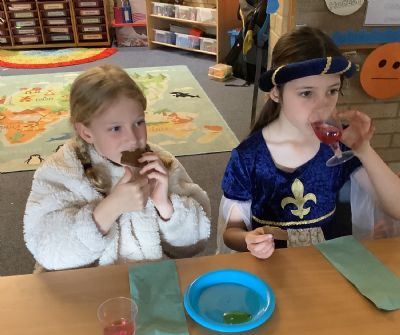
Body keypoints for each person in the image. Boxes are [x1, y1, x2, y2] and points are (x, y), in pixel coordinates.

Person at [218, 26, 400, 259]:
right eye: (306, 93)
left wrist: (364, 150)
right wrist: (249, 240)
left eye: (332, 91)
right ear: (276, 93)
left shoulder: (340, 144)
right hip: (271, 265)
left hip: (327, 263)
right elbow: (232, 232)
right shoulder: (248, 157)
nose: (323, 107)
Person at [24, 64, 211, 271]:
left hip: (150, 281)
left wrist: (165, 206)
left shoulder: (163, 165)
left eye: (139, 123)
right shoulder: (61, 171)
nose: (133, 139)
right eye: (115, 128)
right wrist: (111, 208)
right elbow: (48, 250)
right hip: (89, 285)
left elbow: (194, 245)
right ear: (86, 132)